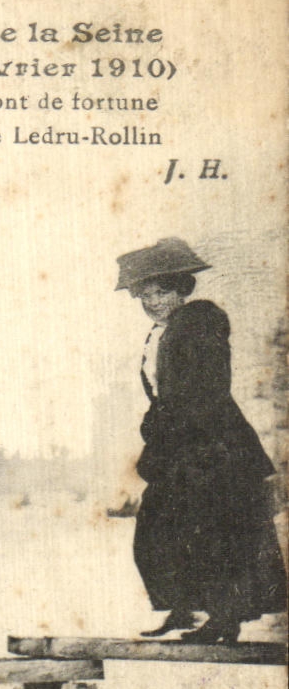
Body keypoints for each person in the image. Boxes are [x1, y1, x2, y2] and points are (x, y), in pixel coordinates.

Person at [117, 238, 286, 642]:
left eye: (162, 292)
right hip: (180, 447)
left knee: (215, 535)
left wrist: (176, 431)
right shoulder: (163, 333)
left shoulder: (198, 324)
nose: (153, 302)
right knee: (163, 529)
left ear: (182, 291)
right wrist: (159, 427)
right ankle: (187, 609)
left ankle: (222, 619)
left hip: (211, 447)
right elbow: (164, 394)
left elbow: (206, 390)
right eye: (145, 295)